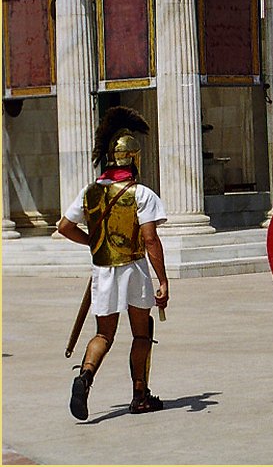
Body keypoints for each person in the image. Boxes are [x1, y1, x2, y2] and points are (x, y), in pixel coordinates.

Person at [57, 106, 169, 421]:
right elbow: (149, 240)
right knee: (141, 332)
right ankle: (140, 396)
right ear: (134, 158)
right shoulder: (142, 194)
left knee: (103, 335)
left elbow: (64, 226)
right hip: (133, 269)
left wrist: (92, 242)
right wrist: (162, 280)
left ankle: (85, 377)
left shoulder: (90, 192)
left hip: (103, 270)